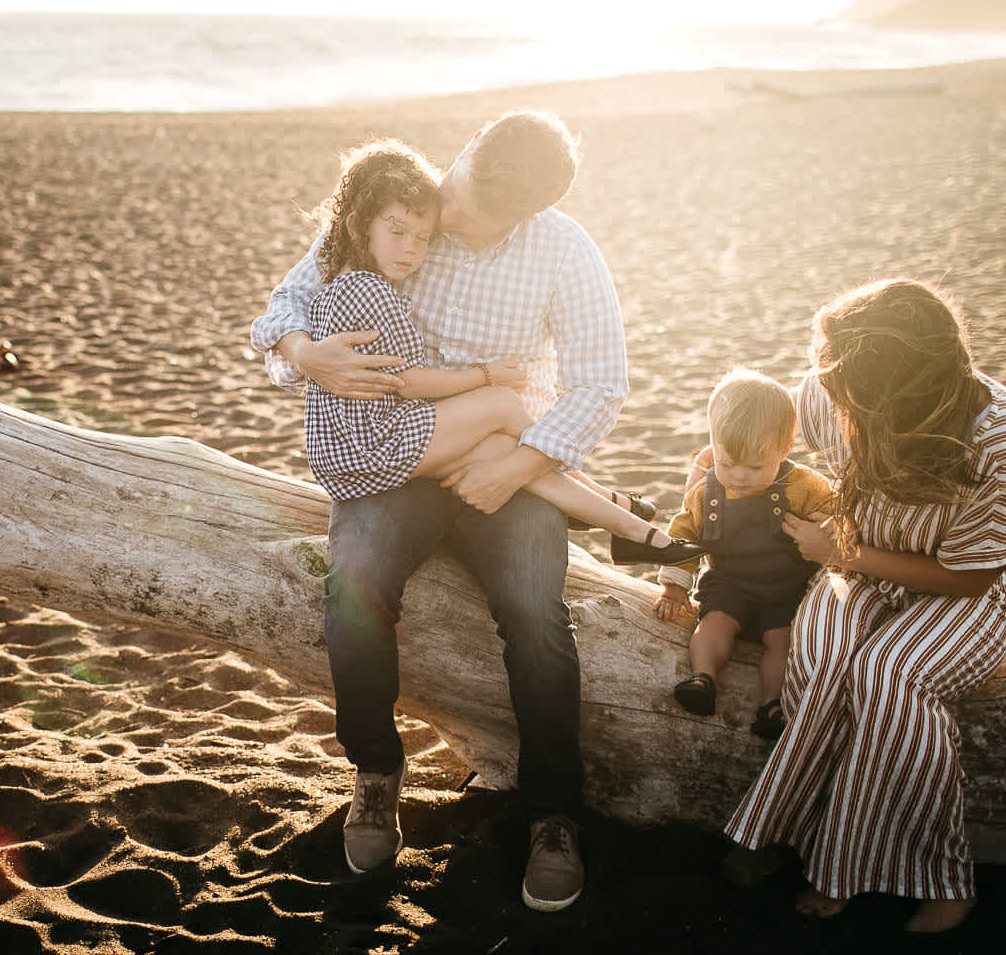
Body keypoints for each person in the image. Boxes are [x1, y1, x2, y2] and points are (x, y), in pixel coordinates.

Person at [250, 109, 631, 912]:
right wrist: (302, 354)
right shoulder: (408, 203)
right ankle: (377, 772)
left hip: (502, 455)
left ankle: (552, 813)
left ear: (520, 215)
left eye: (465, 213)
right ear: (465, 154)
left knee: (534, 610)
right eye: (452, 188)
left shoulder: (562, 249)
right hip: (399, 459)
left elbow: (602, 383)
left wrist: (519, 467)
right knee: (354, 579)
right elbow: (283, 308)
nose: (445, 217)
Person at [720, 279, 1006, 934]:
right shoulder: (831, 388)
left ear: (897, 395)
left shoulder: (1002, 437)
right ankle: (802, 839)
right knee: (826, 657)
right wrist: (714, 474)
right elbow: (755, 441)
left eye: (845, 391)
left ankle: (941, 877)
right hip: (855, 561)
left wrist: (840, 556)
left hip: (959, 592)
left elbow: (972, 576)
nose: (826, 393)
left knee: (891, 672)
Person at [303, 138, 692, 554]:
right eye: (399, 233)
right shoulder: (368, 283)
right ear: (358, 226)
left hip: (370, 441)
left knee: (509, 451)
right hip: (370, 443)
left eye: (423, 237)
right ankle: (622, 514)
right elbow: (405, 383)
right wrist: (486, 375)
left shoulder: (364, 270)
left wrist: (513, 466)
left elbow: (602, 386)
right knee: (502, 404)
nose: (415, 247)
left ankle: (638, 533)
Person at [631, 368, 835, 740]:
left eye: (756, 467)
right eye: (727, 464)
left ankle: (772, 705)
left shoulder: (802, 485)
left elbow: (832, 509)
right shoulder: (705, 494)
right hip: (729, 583)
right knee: (714, 623)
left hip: (785, 589)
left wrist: (830, 525)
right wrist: (675, 588)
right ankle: (703, 678)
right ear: (713, 446)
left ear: (785, 449)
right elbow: (684, 534)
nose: (739, 476)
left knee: (783, 642)